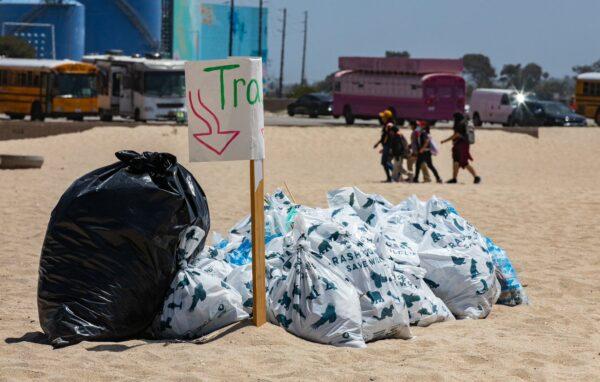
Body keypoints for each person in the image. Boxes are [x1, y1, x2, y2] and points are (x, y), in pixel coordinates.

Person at [442, 113, 481, 184]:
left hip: (461, 146)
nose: (453, 119)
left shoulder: (459, 124)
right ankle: (454, 179)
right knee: (456, 161)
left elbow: (456, 135)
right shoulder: (464, 123)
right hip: (462, 145)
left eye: (454, 118)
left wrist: (445, 140)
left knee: (464, 163)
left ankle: (476, 177)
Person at [373, 110, 394, 182]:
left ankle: (395, 174)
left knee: (384, 162)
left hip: (388, 146)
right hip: (386, 146)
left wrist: (386, 145)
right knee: (385, 162)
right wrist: (378, 143)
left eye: (383, 117)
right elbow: (384, 137)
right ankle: (391, 177)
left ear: (387, 118)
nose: (382, 118)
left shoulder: (389, 126)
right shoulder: (386, 125)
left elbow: (389, 136)